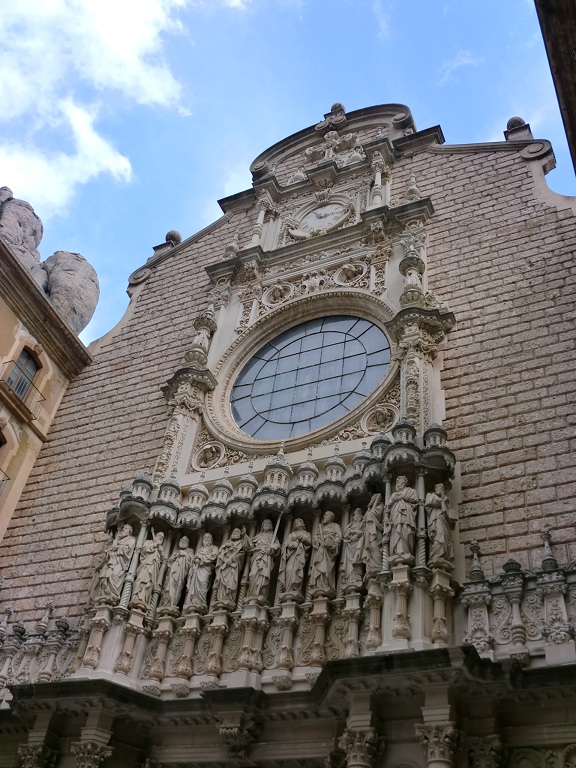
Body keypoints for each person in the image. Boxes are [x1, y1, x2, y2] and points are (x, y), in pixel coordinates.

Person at [90, 524, 135, 604]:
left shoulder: (131, 539)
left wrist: (117, 546)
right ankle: (104, 595)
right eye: (123, 528)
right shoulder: (118, 540)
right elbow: (109, 550)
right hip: (112, 561)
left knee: (113, 576)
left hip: (120, 562)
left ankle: (113, 595)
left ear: (130, 532)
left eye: (126, 529)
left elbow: (127, 550)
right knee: (106, 576)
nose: (124, 530)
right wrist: (113, 546)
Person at [212, 527, 250, 610]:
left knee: (230, 583)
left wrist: (233, 559)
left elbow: (243, 553)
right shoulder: (226, 543)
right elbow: (219, 556)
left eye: (237, 532)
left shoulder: (240, 543)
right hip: (224, 567)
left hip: (232, 567)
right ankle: (221, 600)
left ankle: (229, 599)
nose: (235, 533)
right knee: (221, 584)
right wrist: (224, 547)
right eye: (234, 531)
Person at [183, 531, 219, 614]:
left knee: (203, 583)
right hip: (197, 569)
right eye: (204, 538)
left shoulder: (214, 548)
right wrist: (195, 559)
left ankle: (200, 602)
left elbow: (214, 556)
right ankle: (193, 602)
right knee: (194, 587)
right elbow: (194, 558)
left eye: (208, 538)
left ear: (211, 540)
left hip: (206, 569)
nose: (206, 539)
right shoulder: (200, 549)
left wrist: (201, 558)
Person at [308, 511, 342, 599]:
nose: (324, 516)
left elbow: (339, 537)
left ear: (331, 517)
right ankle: (319, 586)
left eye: (326, 515)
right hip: (320, 550)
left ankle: (326, 585)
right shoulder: (320, 528)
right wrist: (318, 541)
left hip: (328, 551)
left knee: (326, 569)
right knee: (318, 568)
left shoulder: (335, 526)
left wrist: (333, 544)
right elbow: (314, 538)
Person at [246, 519, 280, 605]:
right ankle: (253, 595)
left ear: (271, 526)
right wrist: (245, 536)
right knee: (253, 574)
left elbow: (277, 546)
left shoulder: (272, 536)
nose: (266, 524)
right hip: (256, 555)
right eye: (264, 523)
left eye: (268, 523)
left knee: (263, 576)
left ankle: (261, 596)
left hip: (266, 556)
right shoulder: (258, 536)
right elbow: (250, 545)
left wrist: (272, 547)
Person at [386, 476, 418, 565]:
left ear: (405, 482)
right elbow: (388, 507)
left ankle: (405, 550)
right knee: (396, 532)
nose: (399, 484)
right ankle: (397, 551)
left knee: (405, 531)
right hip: (395, 515)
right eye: (397, 482)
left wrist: (402, 498)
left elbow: (415, 501)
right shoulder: (393, 495)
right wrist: (386, 516)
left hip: (406, 515)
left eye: (401, 482)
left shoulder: (411, 491)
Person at [277, 518, 311, 603]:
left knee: (297, 571)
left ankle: (296, 589)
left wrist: (301, 540)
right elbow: (285, 544)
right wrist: (291, 545)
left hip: (300, 556)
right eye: (295, 522)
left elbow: (310, 542)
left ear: (303, 524)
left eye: (298, 522)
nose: (296, 523)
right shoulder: (291, 535)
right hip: (291, 555)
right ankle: (288, 589)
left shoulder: (306, 533)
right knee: (288, 570)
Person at [130, 531, 165, 610]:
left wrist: (160, 551)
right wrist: (154, 545)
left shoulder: (160, 548)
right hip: (145, 567)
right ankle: (136, 597)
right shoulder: (148, 542)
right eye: (159, 535)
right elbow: (144, 550)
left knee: (149, 584)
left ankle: (144, 600)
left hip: (153, 570)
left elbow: (163, 559)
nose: (160, 538)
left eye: (162, 538)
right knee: (141, 580)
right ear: (155, 535)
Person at [159, 536, 193, 612]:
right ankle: (166, 603)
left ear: (188, 543)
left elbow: (191, 561)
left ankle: (173, 603)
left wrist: (184, 555)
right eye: (182, 540)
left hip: (180, 573)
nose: (183, 542)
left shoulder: (190, 551)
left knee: (177, 587)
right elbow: (169, 562)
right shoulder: (176, 551)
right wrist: (173, 557)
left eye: (185, 541)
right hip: (171, 573)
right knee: (168, 586)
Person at [425, 483, 454, 571]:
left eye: (442, 488)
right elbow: (430, 503)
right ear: (435, 488)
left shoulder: (444, 499)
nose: (441, 489)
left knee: (445, 538)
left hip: (443, 520)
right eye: (439, 487)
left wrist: (444, 501)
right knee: (439, 536)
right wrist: (442, 500)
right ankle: (436, 555)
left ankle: (443, 556)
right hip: (436, 519)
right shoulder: (430, 495)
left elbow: (447, 513)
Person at [339, 509, 364, 593]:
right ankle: (350, 579)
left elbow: (363, 532)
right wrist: (349, 534)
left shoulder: (362, 524)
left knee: (356, 561)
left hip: (358, 546)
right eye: (354, 515)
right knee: (349, 565)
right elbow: (345, 536)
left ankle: (356, 578)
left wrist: (354, 532)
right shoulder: (351, 525)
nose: (354, 516)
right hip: (349, 546)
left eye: (356, 514)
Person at [362, 493, 384, 579]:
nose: (371, 501)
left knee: (374, 547)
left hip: (375, 531)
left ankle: (377, 566)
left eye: (372, 499)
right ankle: (370, 569)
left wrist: (371, 514)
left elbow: (376, 515)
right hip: (368, 532)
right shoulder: (369, 510)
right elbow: (364, 520)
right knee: (369, 550)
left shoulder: (380, 506)